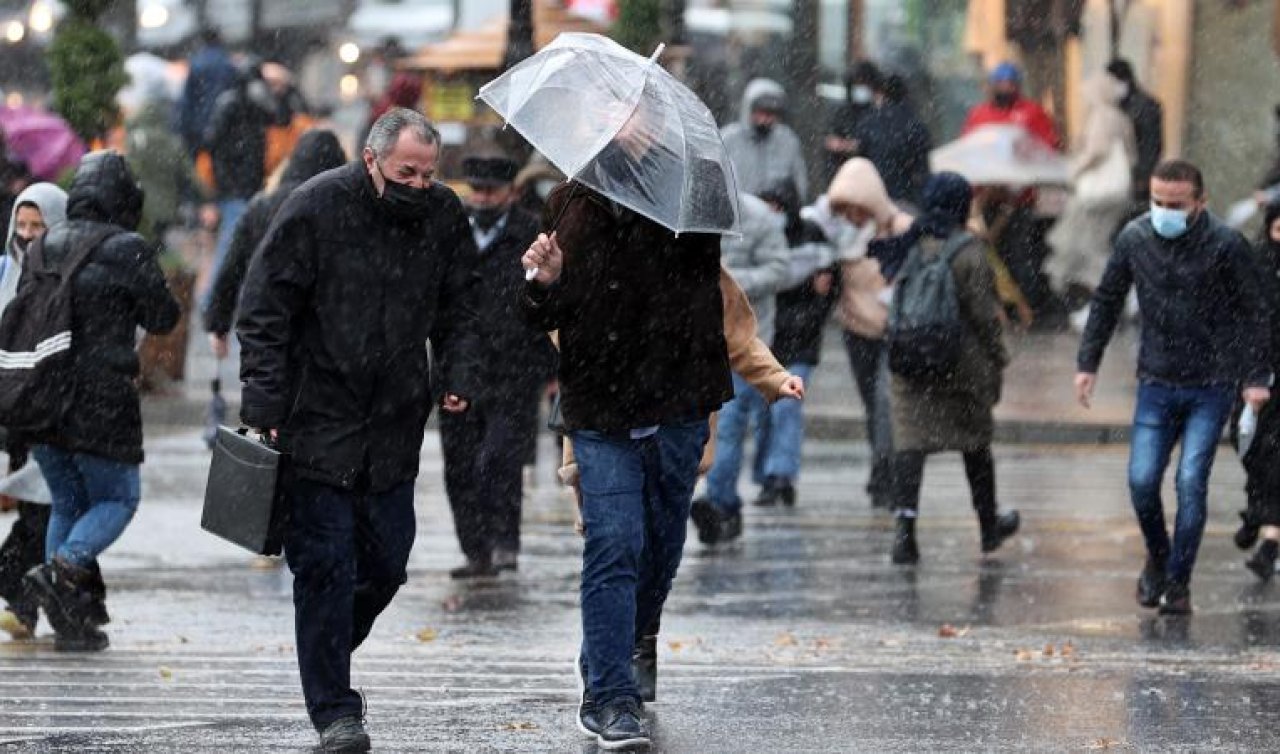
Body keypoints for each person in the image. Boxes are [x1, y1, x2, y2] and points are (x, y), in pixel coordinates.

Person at [236, 108, 481, 751]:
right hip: (316, 417)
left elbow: (462, 305)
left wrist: (457, 373)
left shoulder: (443, 216)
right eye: (407, 172)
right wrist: (262, 401)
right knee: (324, 567)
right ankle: (335, 710)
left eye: (429, 173)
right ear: (372, 160)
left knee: (385, 564)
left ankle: (324, 653)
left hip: (395, 422)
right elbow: (264, 308)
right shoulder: (316, 206)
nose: (420, 185)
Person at [519, 126, 735, 748]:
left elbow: (692, 293)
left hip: (678, 399)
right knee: (614, 543)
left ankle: (614, 648)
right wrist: (547, 280)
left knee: (659, 551)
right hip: (600, 406)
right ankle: (611, 696)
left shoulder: (693, 196)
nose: (624, 131)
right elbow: (535, 313)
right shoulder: (567, 203)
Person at [1075, 159, 1272, 615]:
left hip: (1212, 383)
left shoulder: (1226, 245)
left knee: (1190, 482)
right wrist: (1088, 363)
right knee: (1142, 482)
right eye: (1158, 202)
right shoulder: (1135, 237)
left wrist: (1255, 378)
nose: (1165, 211)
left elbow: (1256, 313)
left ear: (1200, 203)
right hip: (1156, 381)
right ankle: (1159, 559)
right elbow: (1105, 300)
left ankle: (1178, 584)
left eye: (1176, 204)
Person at [20, 152, 179, 651]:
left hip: (41, 396)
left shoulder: (43, 245)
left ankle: (71, 624)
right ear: (122, 197)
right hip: (101, 396)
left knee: (66, 500)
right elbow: (163, 317)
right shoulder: (126, 246)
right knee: (118, 497)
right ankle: (62, 568)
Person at [881, 172, 1019, 565]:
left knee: (909, 447)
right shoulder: (969, 252)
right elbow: (984, 317)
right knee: (975, 446)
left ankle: (904, 535)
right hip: (959, 365)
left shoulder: (911, 245)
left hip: (910, 362)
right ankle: (989, 528)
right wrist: (999, 356)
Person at [441, 154, 556, 579]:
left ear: (510, 191)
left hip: (515, 366)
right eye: (477, 188)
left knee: (499, 459)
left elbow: (549, 302)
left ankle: (505, 541)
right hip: (460, 368)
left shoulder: (531, 233)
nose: (482, 197)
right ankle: (476, 550)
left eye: (491, 190)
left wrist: (549, 368)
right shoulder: (454, 232)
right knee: (461, 462)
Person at [690, 192, 789, 544]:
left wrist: (730, 283)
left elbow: (779, 269)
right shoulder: (687, 214)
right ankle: (720, 500)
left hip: (744, 341)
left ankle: (718, 502)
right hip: (695, 340)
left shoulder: (760, 220)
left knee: (729, 424)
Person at [203, 129, 347, 351]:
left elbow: (232, 267)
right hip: (326, 328)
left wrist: (218, 324)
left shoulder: (262, 206)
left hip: (266, 322)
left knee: (266, 381)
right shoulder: (343, 210)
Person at [824, 158, 914, 507]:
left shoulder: (902, 228)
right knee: (872, 407)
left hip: (895, 332)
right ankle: (882, 472)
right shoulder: (840, 235)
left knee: (885, 405)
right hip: (857, 332)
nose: (851, 215)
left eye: (856, 207)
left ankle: (886, 476)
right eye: (844, 209)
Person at [0, 182, 65, 640]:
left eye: (37, 226)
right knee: (41, 508)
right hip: (13, 410)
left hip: (50, 408)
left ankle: (29, 600)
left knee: (48, 507)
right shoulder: (6, 272)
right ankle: (61, 609)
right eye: (21, 225)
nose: (27, 235)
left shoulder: (65, 274)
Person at [751, 179, 836, 506]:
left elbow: (827, 293)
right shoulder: (758, 236)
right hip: (766, 342)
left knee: (785, 408)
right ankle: (768, 476)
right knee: (764, 415)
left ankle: (780, 476)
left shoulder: (811, 238)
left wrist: (802, 318)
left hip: (798, 343)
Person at [201, 57, 292, 307]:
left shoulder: (249, 104)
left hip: (244, 183)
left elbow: (282, 118)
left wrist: (282, 90)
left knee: (234, 240)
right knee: (231, 240)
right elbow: (212, 141)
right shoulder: (233, 104)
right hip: (236, 185)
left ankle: (217, 298)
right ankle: (213, 299)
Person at [1045, 73, 1137, 323]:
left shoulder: (1101, 115)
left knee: (1091, 247)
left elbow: (1097, 150)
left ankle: (1111, 299)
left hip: (1097, 195)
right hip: (1116, 193)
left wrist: (1075, 169)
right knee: (1097, 246)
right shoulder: (1120, 117)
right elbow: (1131, 156)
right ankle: (1117, 296)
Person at [1235, 200, 1280, 581]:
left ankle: (1270, 536)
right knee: (1250, 449)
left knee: (1275, 456)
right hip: (1255, 374)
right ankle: (1256, 511)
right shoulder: (1255, 264)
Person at [851, 73, 933, 205]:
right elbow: (923, 167)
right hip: (908, 198)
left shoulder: (869, 121)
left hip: (876, 196)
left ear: (883, 94)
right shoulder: (914, 122)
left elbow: (861, 156)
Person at [720, 78, 809, 198]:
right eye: (761, 112)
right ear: (749, 109)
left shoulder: (788, 141)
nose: (765, 119)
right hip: (737, 212)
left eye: (772, 113)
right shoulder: (728, 138)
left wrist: (784, 200)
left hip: (776, 214)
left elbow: (800, 184)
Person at [962, 62, 1061, 150]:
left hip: (1022, 168)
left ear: (1017, 86)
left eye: (1009, 84)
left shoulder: (1032, 112)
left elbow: (1050, 145)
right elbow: (967, 146)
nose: (1004, 88)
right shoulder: (978, 114)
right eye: (1000, 83)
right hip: (987, 169)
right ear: (992, 86)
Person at [1105, 59, 1164, 206]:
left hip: (1136, 179)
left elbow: (1151, 145)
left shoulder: (1144, 107)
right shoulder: (1117, 105)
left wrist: (1142, 177)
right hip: (1120, 177)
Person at [176, 27, 238, 157]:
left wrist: (182, 128)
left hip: (198, 126)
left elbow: (187, 100)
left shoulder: (197, 64)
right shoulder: (229, 64)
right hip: (225, 128)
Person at [824, 61, 882, 182]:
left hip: (871, 177)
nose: (860, 88)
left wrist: (852, 146)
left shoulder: (878, 113)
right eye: (857, 83)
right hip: (844, 175)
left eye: (864, 83)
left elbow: (875, 144)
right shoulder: (843, 113)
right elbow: (831, 142)